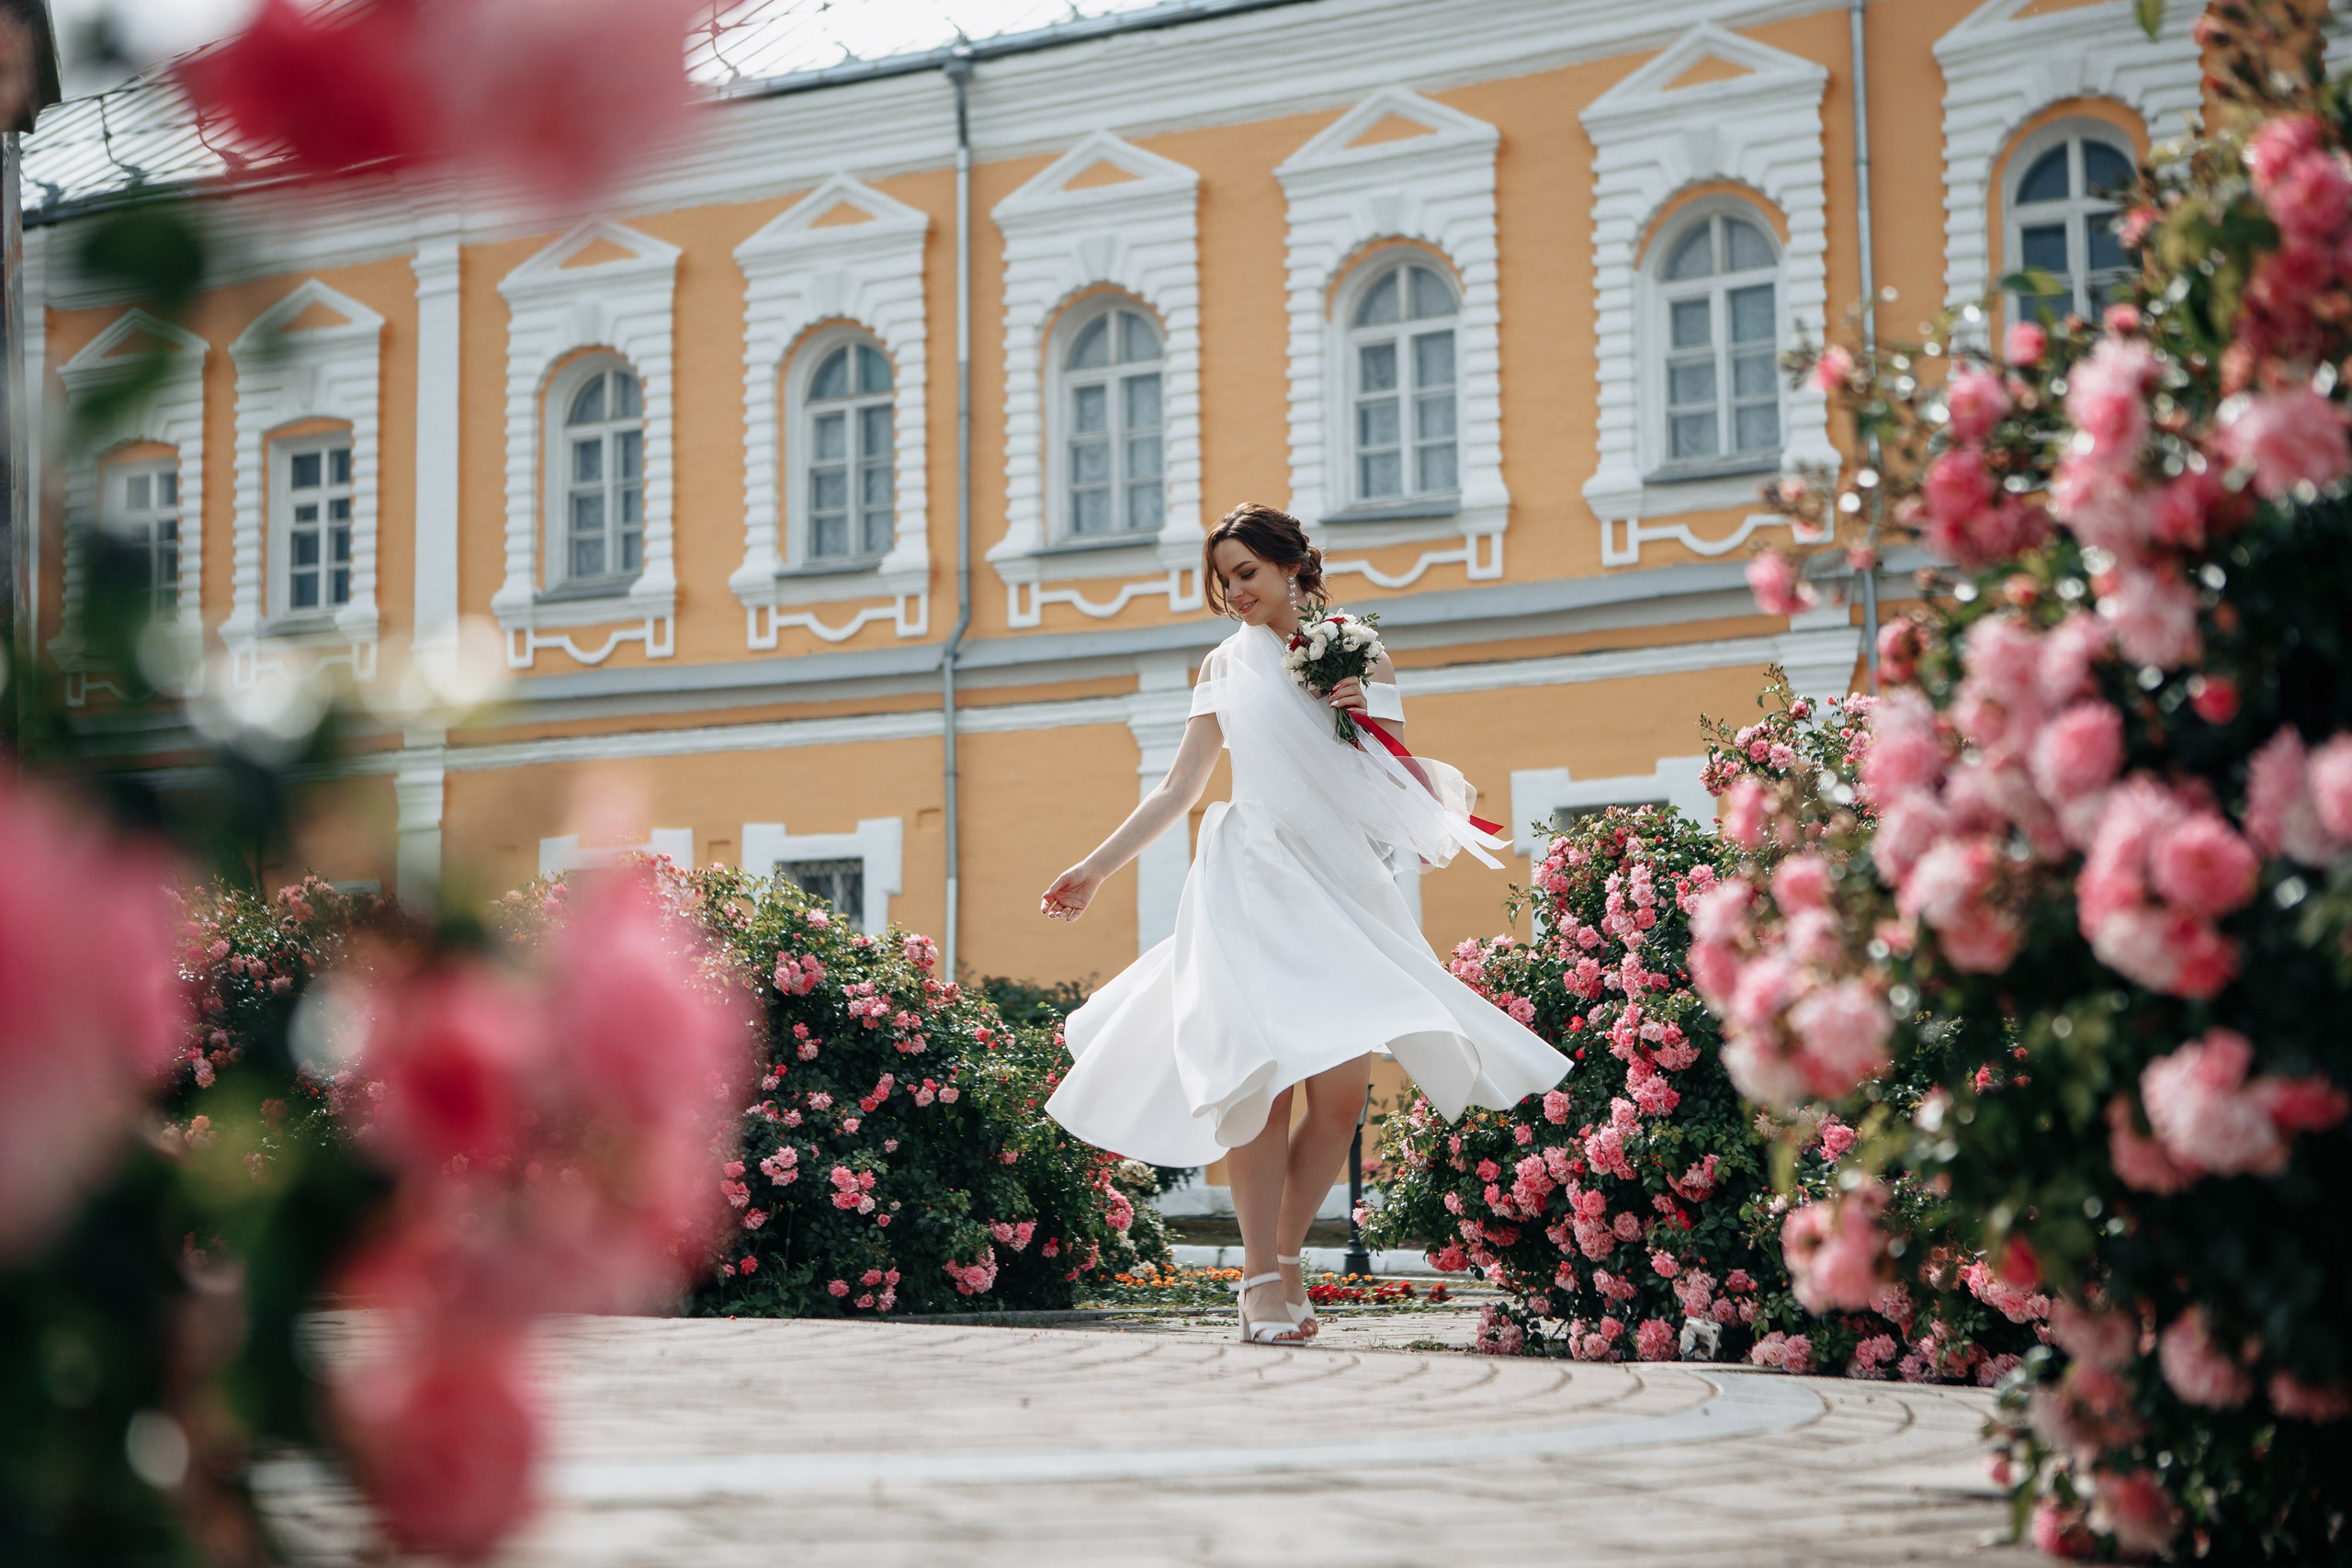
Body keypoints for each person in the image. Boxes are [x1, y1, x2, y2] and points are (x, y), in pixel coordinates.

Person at [1038, 502, 1570, 1344]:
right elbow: (1179, 789)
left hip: (1339, 881)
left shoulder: (1359, 647)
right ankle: (1257, 1282)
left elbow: (1391, 783)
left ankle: (1286, 1258)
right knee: (1264, 1082)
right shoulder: (1222, 666)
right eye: (1225, 580)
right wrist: (1095, 869)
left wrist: (1360, 714)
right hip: (1253, 874)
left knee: (1342, 1098)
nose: (1236, 591)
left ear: (1292, 566)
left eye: (1247, 572)